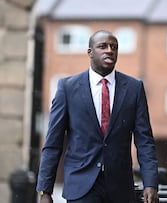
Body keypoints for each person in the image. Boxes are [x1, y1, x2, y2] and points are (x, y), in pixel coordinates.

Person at [36, 30, 159, 203]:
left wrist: (151, 183)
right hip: (81, 186)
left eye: (114, 47)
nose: (109, 50)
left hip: (120, 188)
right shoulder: (68, 88)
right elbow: (53, 144)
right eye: (102, 46)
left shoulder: (134, 88)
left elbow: (145, 141)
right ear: (90, 52)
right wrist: (44, 191)